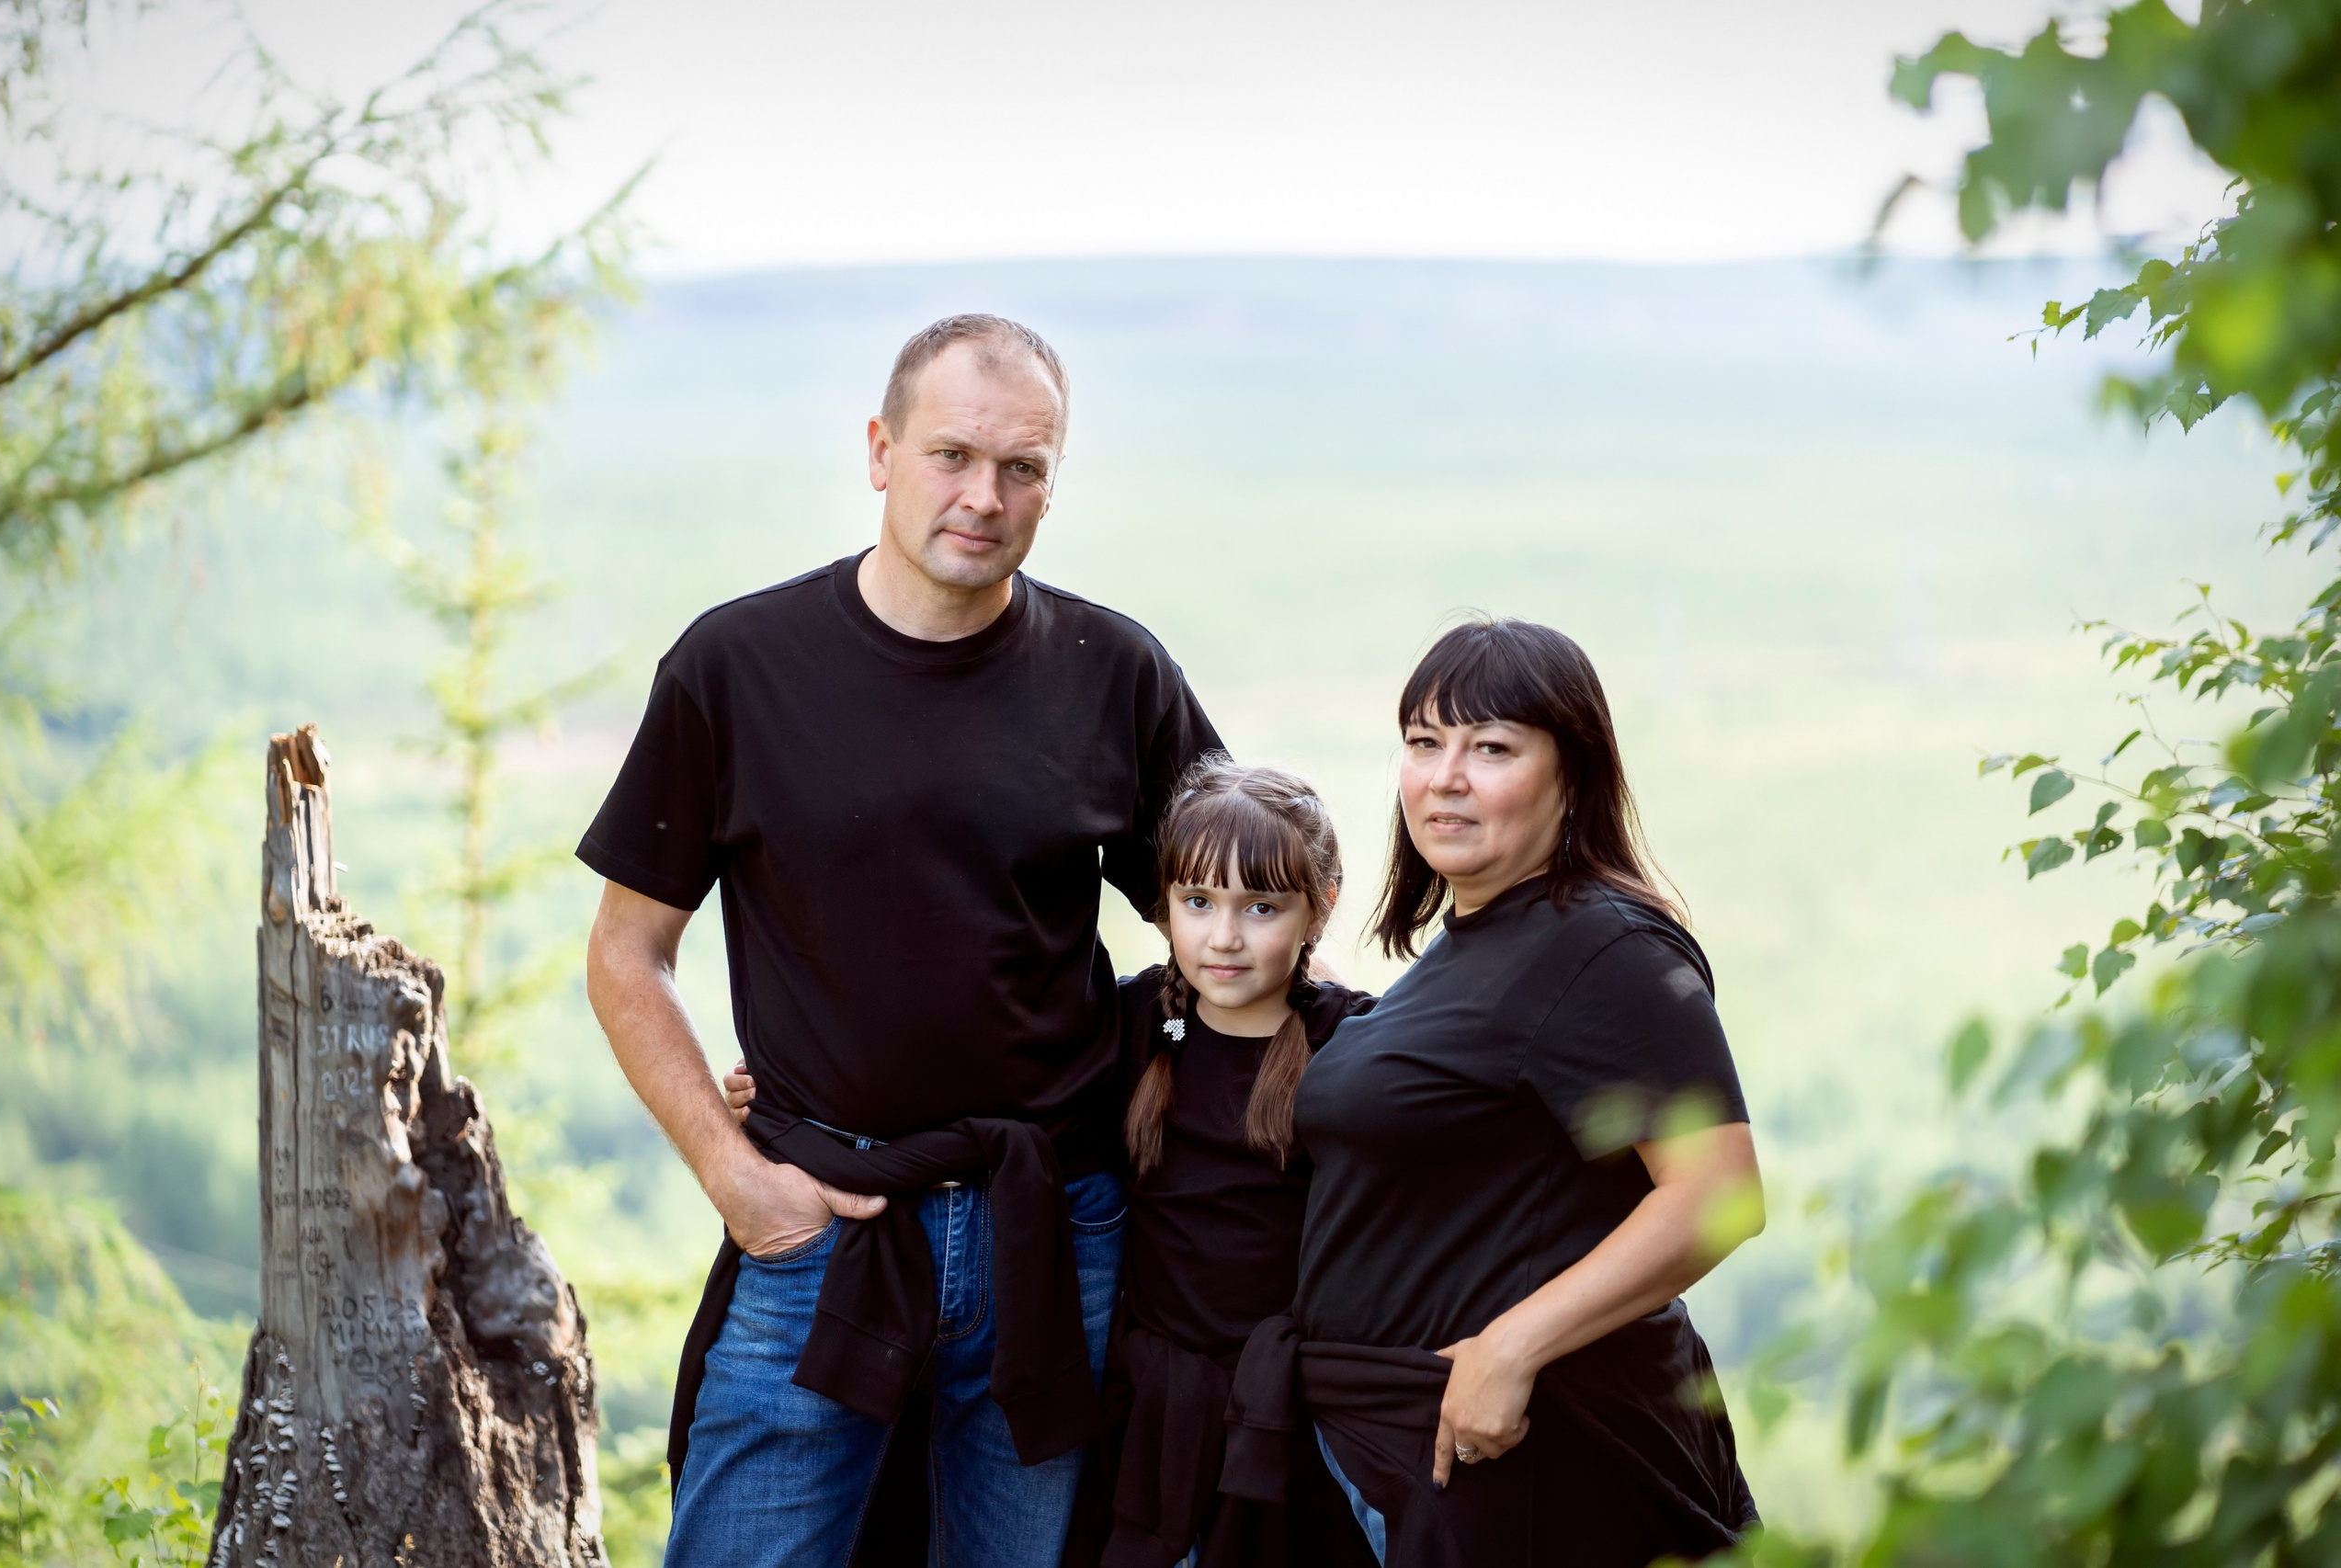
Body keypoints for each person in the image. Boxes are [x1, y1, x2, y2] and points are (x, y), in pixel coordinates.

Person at [579, 314, 1222, 1568]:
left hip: (1056, 1225)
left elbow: (1233, 920)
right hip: (822, 1219)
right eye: (952, 455)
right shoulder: (737, 666)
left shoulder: (1113, 671)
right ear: (880, 450)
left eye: (1024, 467)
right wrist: (734, 1176)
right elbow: (625, 954)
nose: (985, 496)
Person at [728, 758, 1381, 1568]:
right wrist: (791, 1105)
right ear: (1163, 902)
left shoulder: (1354, 1045)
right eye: (1199, 902)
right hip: (1152, 1407)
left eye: (1262, 908)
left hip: (1294, 1408)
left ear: (1320, 905)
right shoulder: (1136, 1024)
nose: (1225, 937)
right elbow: (992, 1087)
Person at [1221, 618, 1764, 1567]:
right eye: (1425, 743)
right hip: (1404, 1454)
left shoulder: (1605, 948)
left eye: (1493, 747)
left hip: (1527, 1455)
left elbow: (1719, 1193)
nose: (1446, 775)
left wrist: (1508, 1349)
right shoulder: (1470, 945)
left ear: (1574, 774)